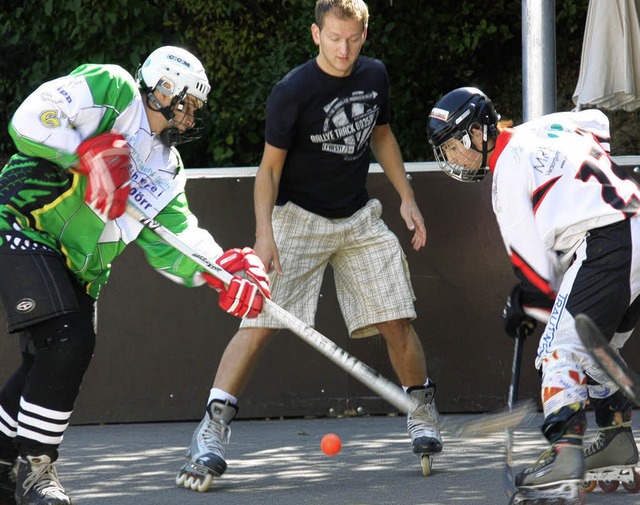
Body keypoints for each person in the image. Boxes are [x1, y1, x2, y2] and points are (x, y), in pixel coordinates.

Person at [175, 0, 441, 492]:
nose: (344, 50)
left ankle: (420, 410)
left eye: (353, 39)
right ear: (316, 34)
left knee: (396, 318)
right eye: (334, 38)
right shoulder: (292, 91)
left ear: (364, 34)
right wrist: (264, 234)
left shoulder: (376, 75)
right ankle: (211, 429)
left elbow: (381, 135)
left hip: (358, 217)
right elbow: (269, 169)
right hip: (296, 220)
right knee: (258, 323)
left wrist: (407, 198)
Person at [0, 46, 271, 505]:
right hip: (22, 222)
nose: (189, 118)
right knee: (68, 340)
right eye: (186, 104)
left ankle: (6, 465)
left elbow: (176, 240)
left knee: (46, 359)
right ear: (163, 90)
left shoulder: (167, 167)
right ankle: (36, 468)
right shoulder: (113, 89)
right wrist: (83, 154)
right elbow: (30, 118)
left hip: (79, 268)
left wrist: (221, 270)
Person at [426, 87, 640, 503]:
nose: (453, 158)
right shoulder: (544, 128)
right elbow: (598, 124)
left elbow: (538, 282)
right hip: (635, 226)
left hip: (604, 241)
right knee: (596, 355)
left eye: (456, 146)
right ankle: (615, 442)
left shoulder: (505, 176)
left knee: (559, 351)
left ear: (479, 131)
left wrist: (520, 305)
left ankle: (564, 457)